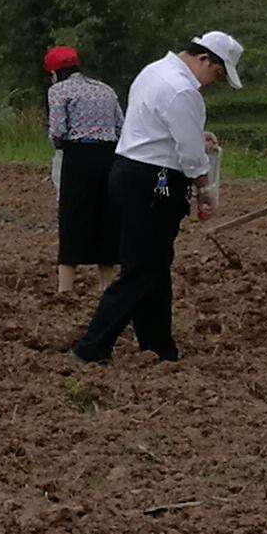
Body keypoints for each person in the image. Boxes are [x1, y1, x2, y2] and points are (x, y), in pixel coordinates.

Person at [72, 32, 243, 366]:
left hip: (133, 173)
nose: (213, 82)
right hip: (157, 181)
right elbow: (192, 157)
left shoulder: (153, 71)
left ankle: (159, 346)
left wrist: (196, 137)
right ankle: (91, 348)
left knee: (156, 263)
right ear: (205, 59)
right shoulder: (182, 90)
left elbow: (162, 130)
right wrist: (205, 192)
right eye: (217, 74)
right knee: (142, 268)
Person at [43, 45, 122, 282]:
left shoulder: (59, 90)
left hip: (78, 158)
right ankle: (107, 284)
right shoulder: (105, 89)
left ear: (55, 73)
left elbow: (57, 132)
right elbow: (121, 126)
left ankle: (65, 287)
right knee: (106, 217)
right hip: (109, 157)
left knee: (72, 218)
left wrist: (61, 148)